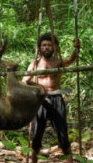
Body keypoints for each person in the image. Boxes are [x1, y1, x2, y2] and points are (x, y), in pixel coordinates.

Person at [22, 33, 81, 163]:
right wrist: (38, 87)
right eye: (44, 45)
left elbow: (72, 60)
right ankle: (33, 161)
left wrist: (76, 49)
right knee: (36, 134)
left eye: (49, 45)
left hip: (56, 98)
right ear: (39, 48)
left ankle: (69, 161)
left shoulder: (58, 61)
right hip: (40, 100)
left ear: (54, 47)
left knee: (62, 132)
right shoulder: (34, 64)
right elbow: (25, 80)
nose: (47, 47)